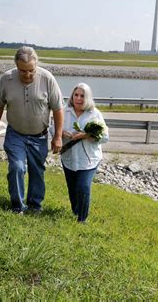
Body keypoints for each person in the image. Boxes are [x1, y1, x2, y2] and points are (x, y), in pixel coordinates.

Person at [0, 46, 63, 214]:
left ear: (36, 65)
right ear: (16, 66)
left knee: (37, 171)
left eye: (31, 70)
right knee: (17, 167)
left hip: (40, 136)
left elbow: (58, 109)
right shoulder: (6, 79)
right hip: (16, 134)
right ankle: (17, 206)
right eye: (23, 71)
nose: (27, 75)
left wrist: (57, 136)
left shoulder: (47, 79)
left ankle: (35, 205)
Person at [60, 83, 108, 223]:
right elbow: (53, 129)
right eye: (76, 95)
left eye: (82, 96)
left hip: (89, 160)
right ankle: (76, 210)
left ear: (88, 98)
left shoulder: (95, 114)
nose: (78, 99)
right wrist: (62, 132)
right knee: (72, 188)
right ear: (72, 96)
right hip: (68, 158)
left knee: (83, 186)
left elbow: (105, 137)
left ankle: (82, 219)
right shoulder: (64, 111)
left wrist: (85, 135)